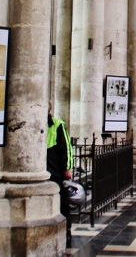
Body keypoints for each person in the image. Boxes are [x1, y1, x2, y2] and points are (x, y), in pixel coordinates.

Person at [47, 104, 75, 247]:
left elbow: (66, 148)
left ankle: (66, 230)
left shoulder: (57, 124)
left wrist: (67, 168)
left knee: (63, 203)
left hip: (55, 170)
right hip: (42, 169)